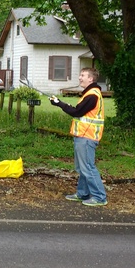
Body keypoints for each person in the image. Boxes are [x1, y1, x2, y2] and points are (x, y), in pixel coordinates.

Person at [50, 67, 107, 206]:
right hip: (82, 136)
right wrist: (60, 103)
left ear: (91, 79)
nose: (80, 77)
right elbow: (79, 111)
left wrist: (60, 104)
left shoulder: (92, 95)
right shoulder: (90, 94)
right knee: (82, 168)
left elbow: (77, 112)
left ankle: (100, 197)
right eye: (80, 75)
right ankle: (83, 193)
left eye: (83, 75)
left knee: (87, 167)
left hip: (87, 137)